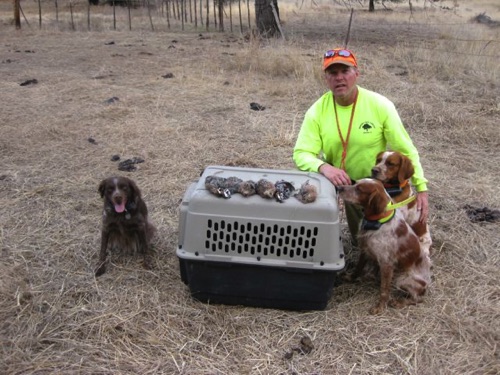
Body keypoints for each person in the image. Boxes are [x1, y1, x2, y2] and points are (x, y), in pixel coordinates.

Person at [293, 48, 429, 242]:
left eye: (345, 71)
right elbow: (301, 153)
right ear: (326, 78)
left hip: (381, 188)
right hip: (346, 185)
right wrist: (324, 167)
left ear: (357, 73)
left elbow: (406, 149)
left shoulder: (380, 105)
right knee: (363, 242)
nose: (339, 78)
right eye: (333, 73)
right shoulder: (316, 111)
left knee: (392, 242)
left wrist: (421, 188)